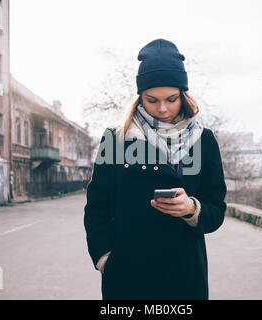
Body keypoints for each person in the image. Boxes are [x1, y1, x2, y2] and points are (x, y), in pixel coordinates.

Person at [84, 38, 227, 300]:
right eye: (152, 100)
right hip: (127, 278)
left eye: (171, 99)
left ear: (183, 95)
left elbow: (216, 209)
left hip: (185, 278)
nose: (163, 109)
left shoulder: (203, 140)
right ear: (140, 97)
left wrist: (192, 209)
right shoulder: (116, 139)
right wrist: (104, 259)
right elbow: (96, 207)